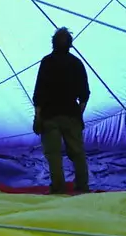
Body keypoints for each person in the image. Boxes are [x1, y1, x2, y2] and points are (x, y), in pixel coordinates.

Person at [32, 28, 90, 195]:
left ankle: (58, 188)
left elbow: (39, 93)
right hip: (71, 114)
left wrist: (38, 116)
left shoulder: (47, 63)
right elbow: (84, 94)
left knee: (54, 155)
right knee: (78, 153)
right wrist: (78, 113)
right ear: (70, 44)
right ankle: (82, 187)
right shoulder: (76, 63)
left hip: (50, 116)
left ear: (53, 43)